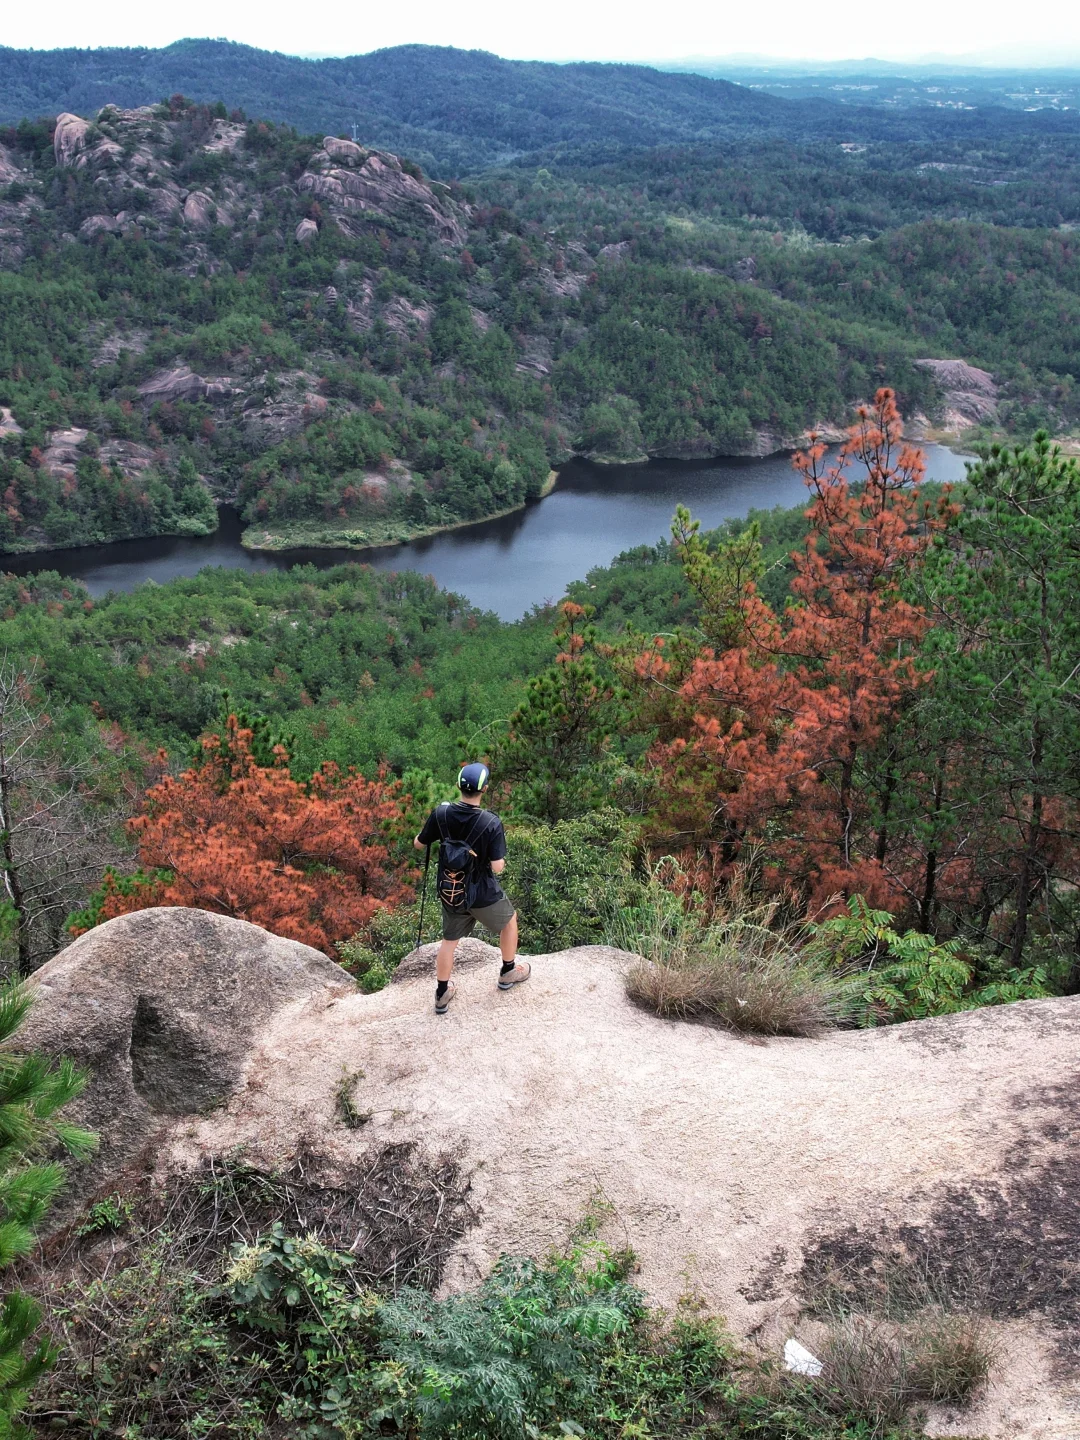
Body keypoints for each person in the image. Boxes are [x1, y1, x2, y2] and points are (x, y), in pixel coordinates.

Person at [414, 763, 530, 1015]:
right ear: (484, 789)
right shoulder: (490, 822)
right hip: (482, 892)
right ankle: (508, 971)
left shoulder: (441, 814)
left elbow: (418, 843)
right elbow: (497, 867)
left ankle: (442, 992)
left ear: (458, 786)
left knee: (449, 941)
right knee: (510, 921)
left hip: (452, 889)